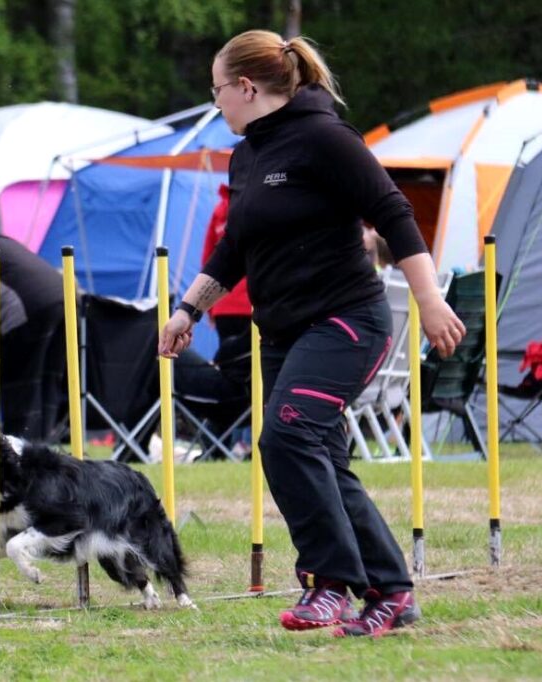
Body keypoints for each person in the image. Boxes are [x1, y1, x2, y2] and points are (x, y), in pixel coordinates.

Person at [159, 30, 465, 637]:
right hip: (281, 329)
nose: (216, 102)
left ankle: (328, 584)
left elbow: (395, 213)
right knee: (322, 456)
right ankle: (392, 593)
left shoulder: (325, 138)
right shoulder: (248, 154)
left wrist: (430, 301)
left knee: (287, 439)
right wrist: (188, 310)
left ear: (246, 87)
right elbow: (236, 247)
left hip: (348, 319)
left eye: (217, 89)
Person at [0, 231, 67, 441]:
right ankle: (41, 447)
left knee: (20, 385)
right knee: (47, 382)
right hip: (65, 297)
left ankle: (20, 447)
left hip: (28, 309)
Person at [201, 183, 251, 343]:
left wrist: (209, 308)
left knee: (229, 362)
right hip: (252, 305)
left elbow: (209, 262)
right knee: (256, 363)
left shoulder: (219, 210)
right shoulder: (256, 205)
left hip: (222, 307)